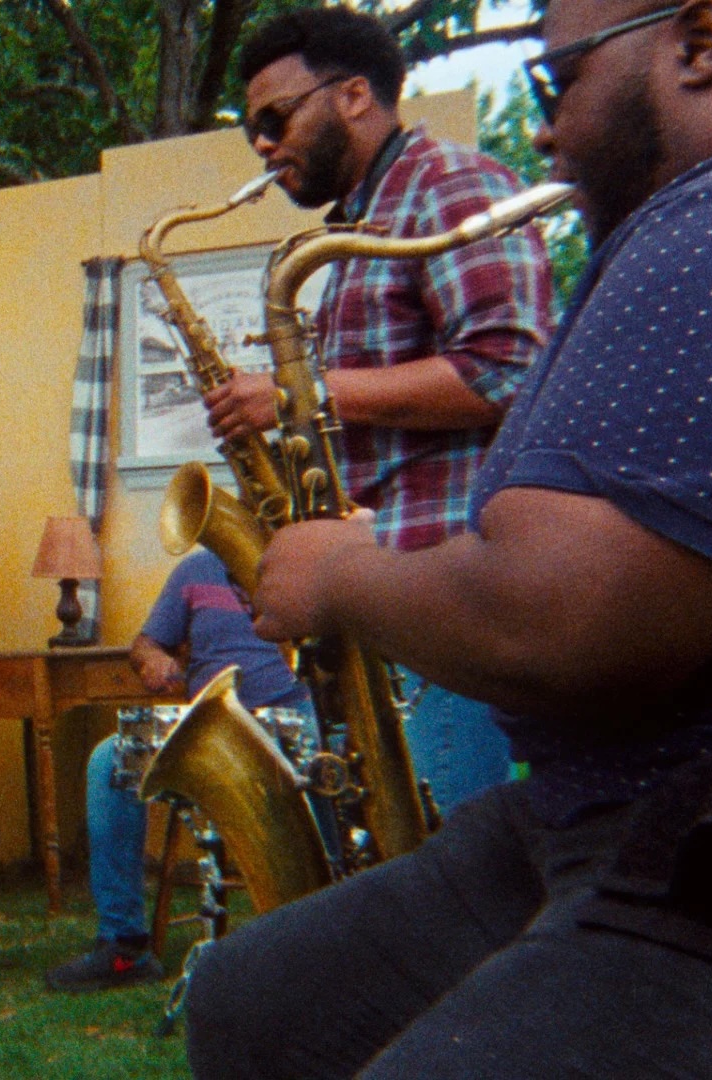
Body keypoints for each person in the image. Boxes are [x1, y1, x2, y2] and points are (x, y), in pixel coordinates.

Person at [185, 1, 712, 1075]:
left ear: (701, 41)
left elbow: (498, 373)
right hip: (564, 754)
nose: (543, 133)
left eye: (555, 81)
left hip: (675, 818)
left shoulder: (675, 218)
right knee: (251, 996)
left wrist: (343, 565)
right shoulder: (364, 225)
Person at [208, 6, 560, 815]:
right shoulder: (363, 221)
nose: (262, 145)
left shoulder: (450, 186)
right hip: (390, 601)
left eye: (274, 118)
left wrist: (299, 393)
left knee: (443, 884)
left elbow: (509, 371)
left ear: (356, 94)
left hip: (446, 602)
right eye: (250, 130)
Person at [43, 549, 315, 992]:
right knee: (108, 761)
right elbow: (145, 642)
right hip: (204, 728)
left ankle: (320, 934)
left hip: (287, 717)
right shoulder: (194, 570)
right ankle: (123, 945)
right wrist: (152, 659)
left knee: (326, 762)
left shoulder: (307, 561)